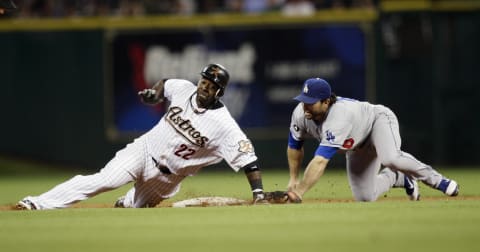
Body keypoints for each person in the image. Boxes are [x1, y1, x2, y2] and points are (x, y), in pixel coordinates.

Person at [16, 63, 267, 210]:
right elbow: (165, 84)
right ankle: (36, 203)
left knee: (134, 208)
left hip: (167, 180)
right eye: (204, 82)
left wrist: (258, 193)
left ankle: (126, 201)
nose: (204, 88)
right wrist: (154, 95)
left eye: (211, 86)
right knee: (105, 179)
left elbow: (248, 159)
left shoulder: (224, 125)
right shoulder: (184, 88)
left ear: (219, 92)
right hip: (144, 151)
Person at [284, 77, 459, 203]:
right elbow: (295, 146)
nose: (305, 106)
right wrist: (293, 178)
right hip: (357, 145)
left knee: (391, 158)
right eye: (303, 100)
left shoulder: (338, 117)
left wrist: (299, 191)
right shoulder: (300, 113)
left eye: (311, 102)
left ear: (326, 102)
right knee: (365, 197)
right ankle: (398, 178)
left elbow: (320, 161)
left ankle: (438, 181)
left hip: (378, 122)